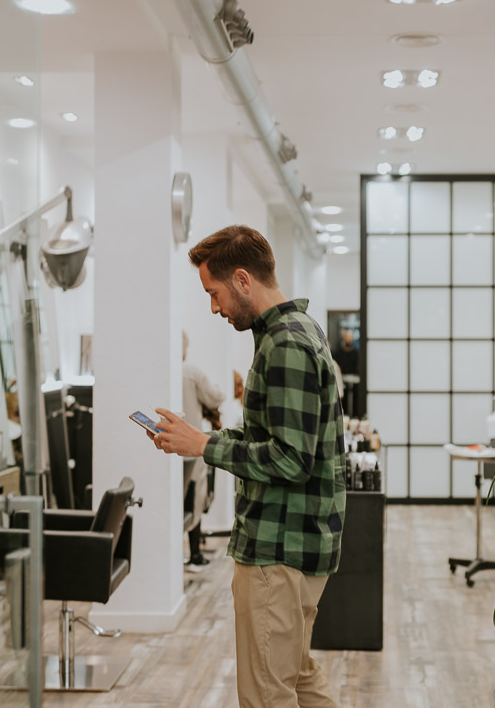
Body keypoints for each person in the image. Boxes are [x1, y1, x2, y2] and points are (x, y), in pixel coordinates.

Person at [150, 225, 346, 708]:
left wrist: (204, 447)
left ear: (241, 279)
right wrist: (202, 439)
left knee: (266, 695)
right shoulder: (299, 333)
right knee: (297, 676)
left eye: (213, 294)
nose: (213, 308)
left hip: (278, 549)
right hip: (297, 544)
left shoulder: (285, 344)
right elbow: (275, 441)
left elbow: (290, 459)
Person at [181, 330, 226, 568]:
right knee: (195, 495)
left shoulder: (163, 371)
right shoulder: (192, 372)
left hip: (167, 443)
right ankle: (195, 553)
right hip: (190, 442)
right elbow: (216, 397)